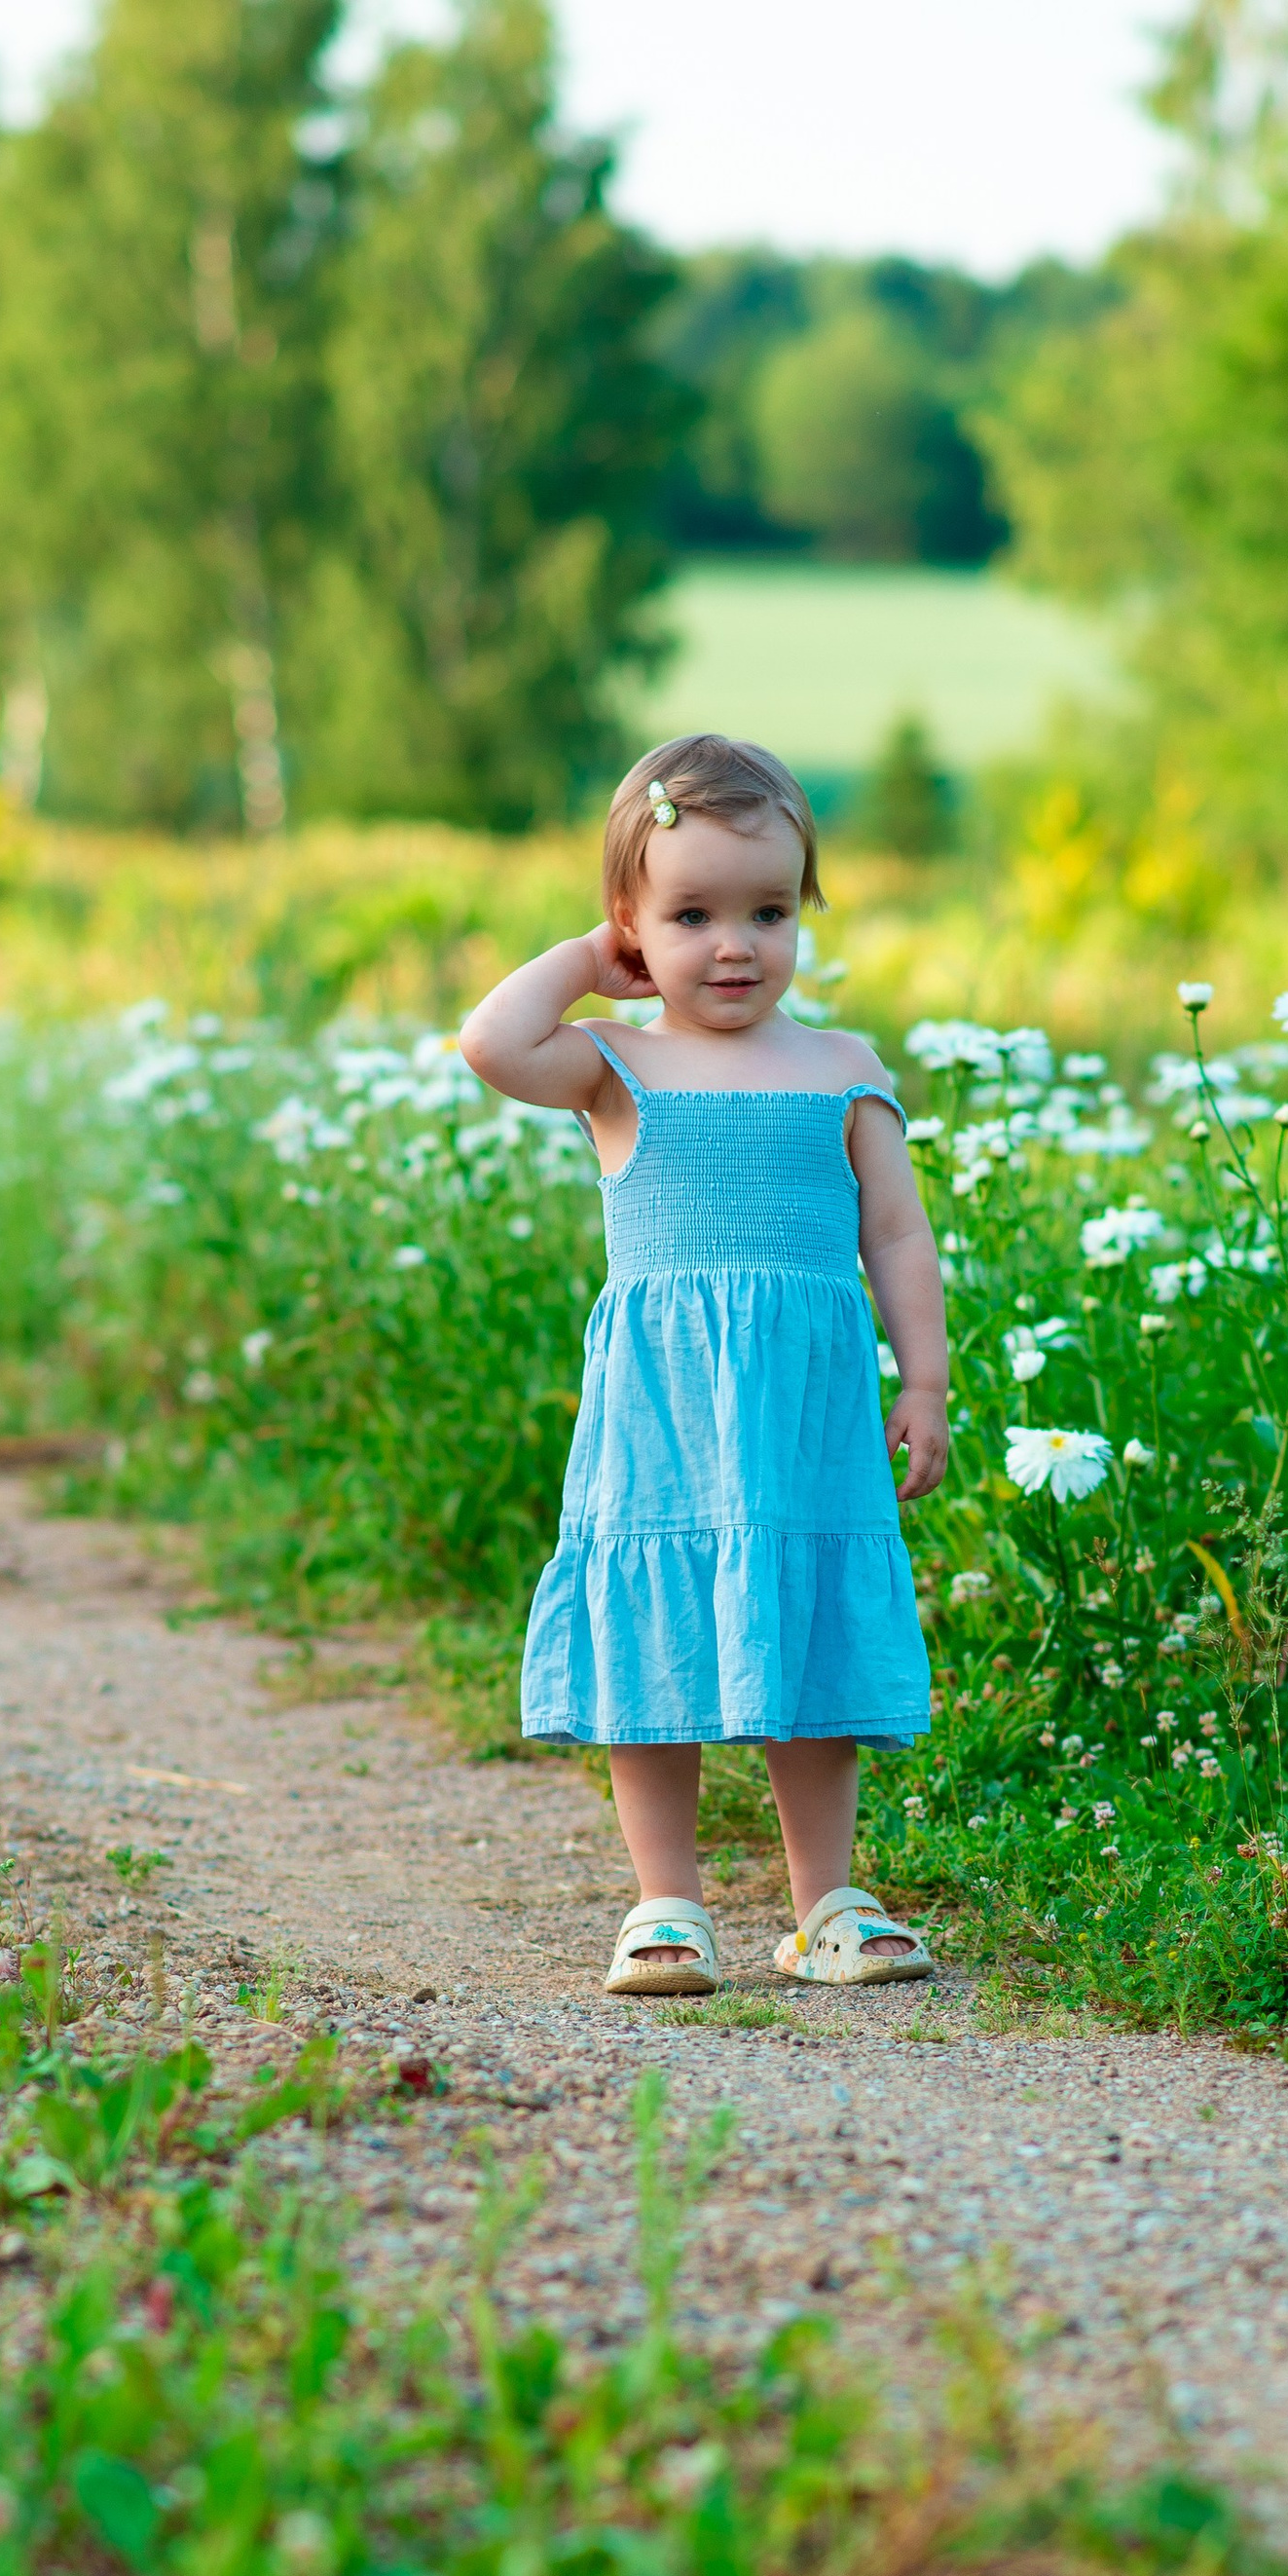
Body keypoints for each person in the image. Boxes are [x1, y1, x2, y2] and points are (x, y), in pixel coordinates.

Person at [460, 732, 945, 1997]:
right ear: (633, 925)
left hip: (804, 1414)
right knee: (655, 1643)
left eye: (768, 912)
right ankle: (666, 1904)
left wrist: (924, 1381)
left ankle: (826, 1902)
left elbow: (896, 1234)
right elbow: (491, 1042)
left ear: (804, 911)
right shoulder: (617, 1065)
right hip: (665, 1417)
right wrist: (588, 961)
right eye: (690, 916)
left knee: (813, 1640)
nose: (735, 946)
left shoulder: (842, 1068)